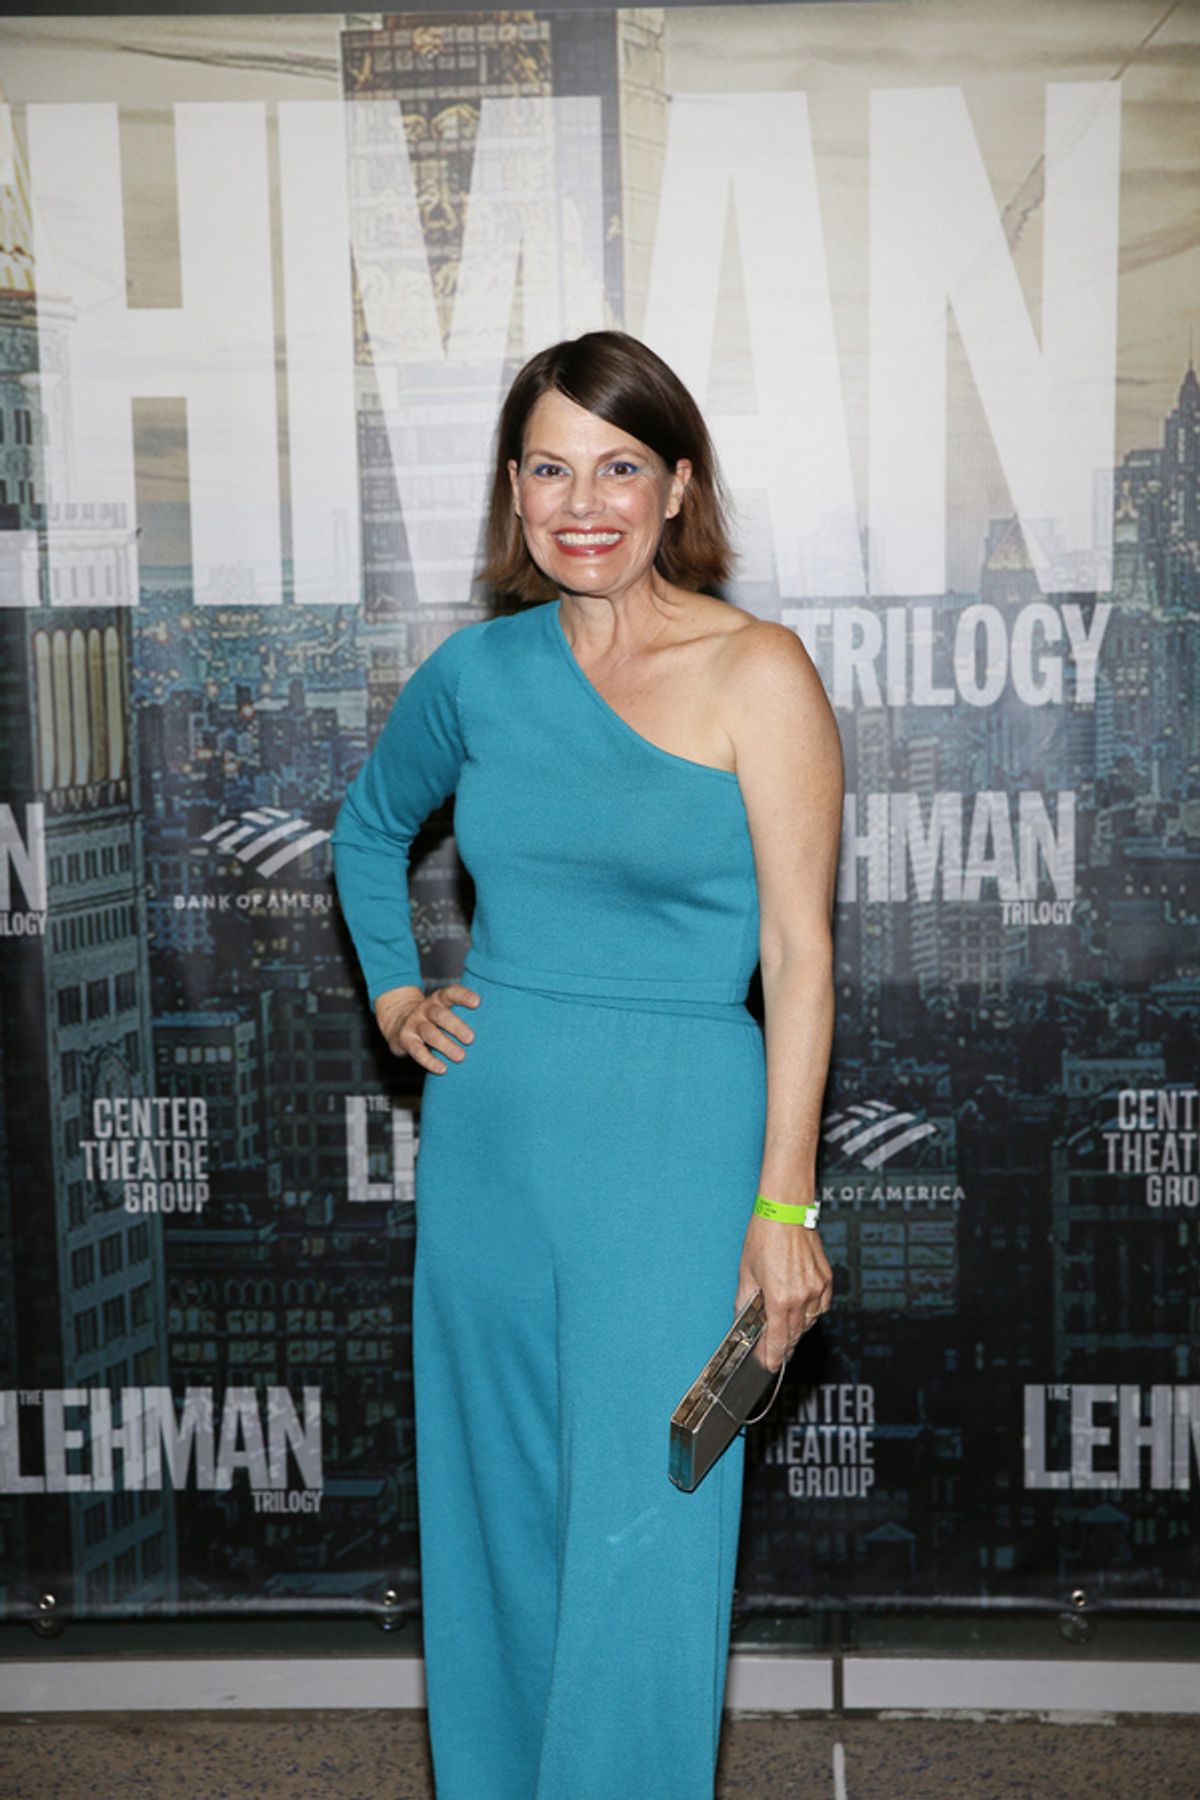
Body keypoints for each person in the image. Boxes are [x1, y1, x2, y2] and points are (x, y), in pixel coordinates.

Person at [331, 329, 844, 1799]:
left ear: (678, 485)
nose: (585, 501)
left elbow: (802, 959)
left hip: (683, 1147)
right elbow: (371, 831)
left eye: (620, 466)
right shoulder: (479, 674)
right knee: (497, 1514)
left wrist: (787, 1207)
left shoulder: (760, 672)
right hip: (496, 1135)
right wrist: (393, 995)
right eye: (550, 467)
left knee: (648, 1529)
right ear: (512, 488)